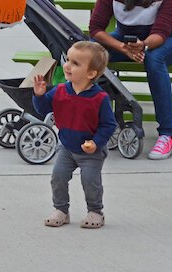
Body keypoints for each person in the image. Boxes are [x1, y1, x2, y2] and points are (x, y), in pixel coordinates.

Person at [90, 0, 172, 160]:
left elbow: (160, 33)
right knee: (91, 53)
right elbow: (96, 28)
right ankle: (105, 123)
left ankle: (166, 134)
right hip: (127, 39)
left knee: (154, 58)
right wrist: (123, 47)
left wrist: (141, 46)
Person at [33, 41, 116, 229]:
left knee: (90, 182)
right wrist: (39, 95)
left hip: (91, 151)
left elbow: (108, 124)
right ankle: (61, 210)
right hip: (67, 148)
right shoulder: (60, 90)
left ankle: (95, 212)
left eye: (75, 63)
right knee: (58, 177)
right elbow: (44, 108)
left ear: (91, 74)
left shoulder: (99, 98)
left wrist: (96, 142)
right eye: (68, 59)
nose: (68, 65)